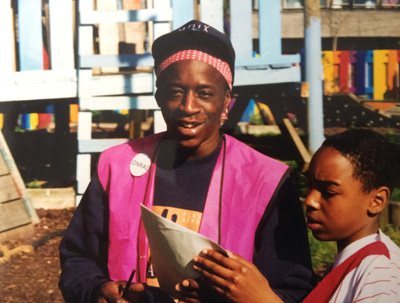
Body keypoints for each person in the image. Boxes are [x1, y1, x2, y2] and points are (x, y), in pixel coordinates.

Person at [59, 20, 314, 303]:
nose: (188, 107)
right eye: (175, 92)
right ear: (158, 96)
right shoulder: (117, 167)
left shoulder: (267, 181)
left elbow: (293, 290)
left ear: (226, 100)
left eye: (204, 93)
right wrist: (96, 289)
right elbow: (77, 259)